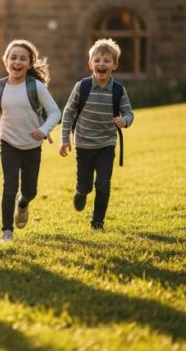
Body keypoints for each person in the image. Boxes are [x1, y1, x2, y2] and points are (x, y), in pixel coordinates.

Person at [0, 40, 61, 242]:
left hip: (32, 145)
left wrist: (43, 131)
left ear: (30, 63)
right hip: (8, 142)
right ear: (5, 61)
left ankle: (23, 203)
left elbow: (55, 112)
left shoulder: (36, 87)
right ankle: (7, 231)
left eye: (23, 58)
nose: (17, 62)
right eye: (13, 57)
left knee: (30, 190)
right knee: (9, 186)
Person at [59, 38, 134, 230]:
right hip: (83, 144)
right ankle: (81, 191)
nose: (101, 64)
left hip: (106, 144)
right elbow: (68, 112)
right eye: (97, 60)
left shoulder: (118, 90)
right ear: (90, 64)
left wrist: (125, 121)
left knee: (103, 184)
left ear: (115, 65)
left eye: (107, 60)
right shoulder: (82, 86)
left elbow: (128, 112)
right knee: (86, 185)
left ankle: (97, 222)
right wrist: (65, 138)